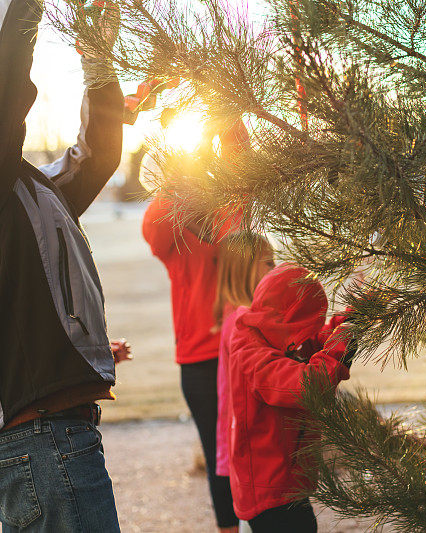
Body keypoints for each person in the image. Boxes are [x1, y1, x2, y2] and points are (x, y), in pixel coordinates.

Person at [0, 0, 125, 530]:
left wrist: (99, 59)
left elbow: (96, 156)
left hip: (50, 434)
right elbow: (2, 77)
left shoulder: (24, 190)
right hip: (36, 435)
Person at [142, 119, 249, 533]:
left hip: (248, 349)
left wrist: (224, 111)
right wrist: (180, 173)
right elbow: (155, 225)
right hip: (202, 358)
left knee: (258, 451)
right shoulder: (164, 222)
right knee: (219, 453)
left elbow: (241, 157)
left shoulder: (229, 207)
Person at [227, 264, 355, 532]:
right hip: (268, 490)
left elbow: (317, 339)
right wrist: (343, 343)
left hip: (286, 480)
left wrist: (351, 319)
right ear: (289, 319)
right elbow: (306, 386)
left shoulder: (273, 332)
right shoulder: (250, 352)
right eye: (306, 324)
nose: (306, 337)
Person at [213, 234, 275, 498]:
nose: (275, 270)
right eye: (269, 263)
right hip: (249, 450)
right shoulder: (241, 324)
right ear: (246, 269)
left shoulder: (247, 318)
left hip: (254, 448)